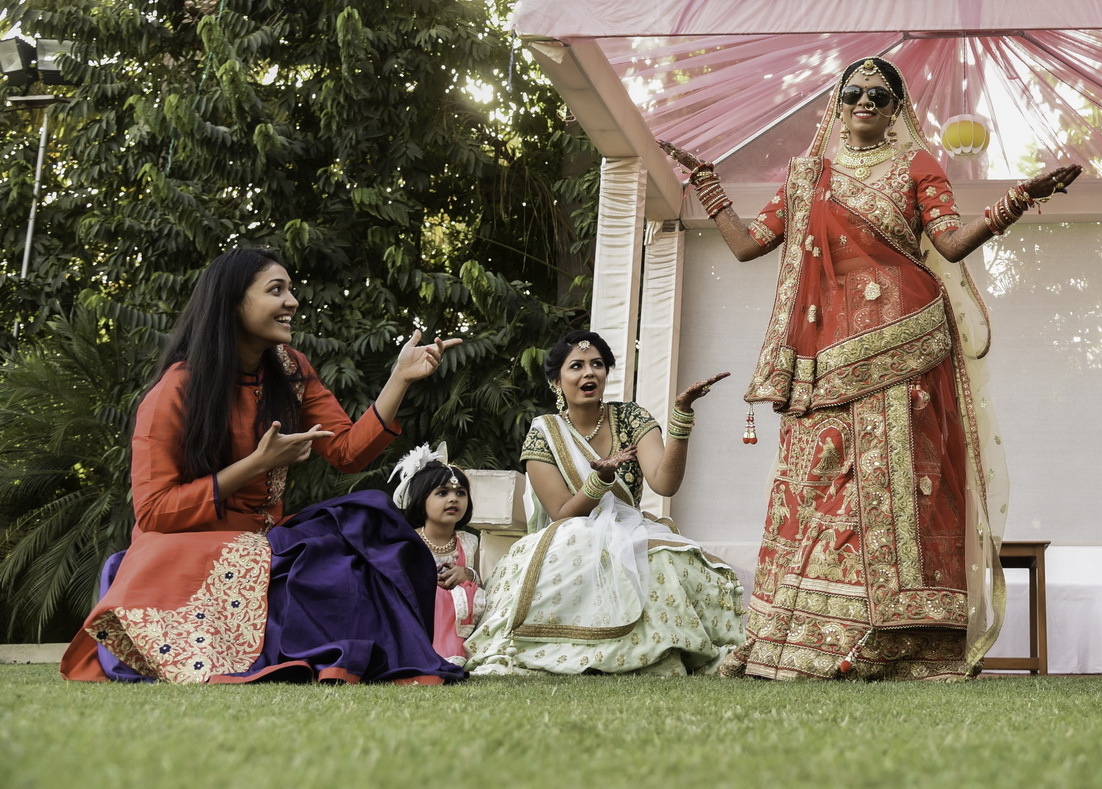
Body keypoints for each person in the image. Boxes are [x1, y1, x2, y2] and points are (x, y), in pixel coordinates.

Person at [660, 56, 1083, 681]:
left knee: (901, 485)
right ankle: (807, 636)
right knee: (820, 483)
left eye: (879, 96)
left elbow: (949, 244)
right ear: (838, 106)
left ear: (895, 110)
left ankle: (907, 639)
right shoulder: (809, 177)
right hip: (826, 355)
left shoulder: (918, 166)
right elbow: (749, 244)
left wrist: (1019, 198)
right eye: (853, 92)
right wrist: (708, 186)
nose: (865, 101)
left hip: (905, 344)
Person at [60, 247, 464, 684]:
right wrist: (258, 463)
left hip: (270, 538)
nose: (292, 301)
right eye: (276, 290)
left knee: (367, 521)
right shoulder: (175, 391)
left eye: (290, 289)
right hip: (191, 543)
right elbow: (155, 511)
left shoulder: (290, 370)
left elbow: (347, 453)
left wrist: (399, 379)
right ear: (233, 303)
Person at [459, 330, 746, 676]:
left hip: (631, 529)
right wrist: (601, 480)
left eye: (597, 364)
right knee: (579, 547)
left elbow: (665, 483)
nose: (589, 373)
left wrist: (681, 417)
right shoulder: (545, 433)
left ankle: (660, 650)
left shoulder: (631, 417)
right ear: (556, 381)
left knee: (666, 560)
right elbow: (562, 513)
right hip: (570, 534)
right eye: (576, 366)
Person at [391, 444, 486, 666]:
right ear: (421, 499)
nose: (453, 499)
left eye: (460, 493)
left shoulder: (469, 542)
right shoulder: (409, 541)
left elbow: (481, 581)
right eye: (442, 493)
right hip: (421, 620)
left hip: (461, 623)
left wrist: (467, 574)